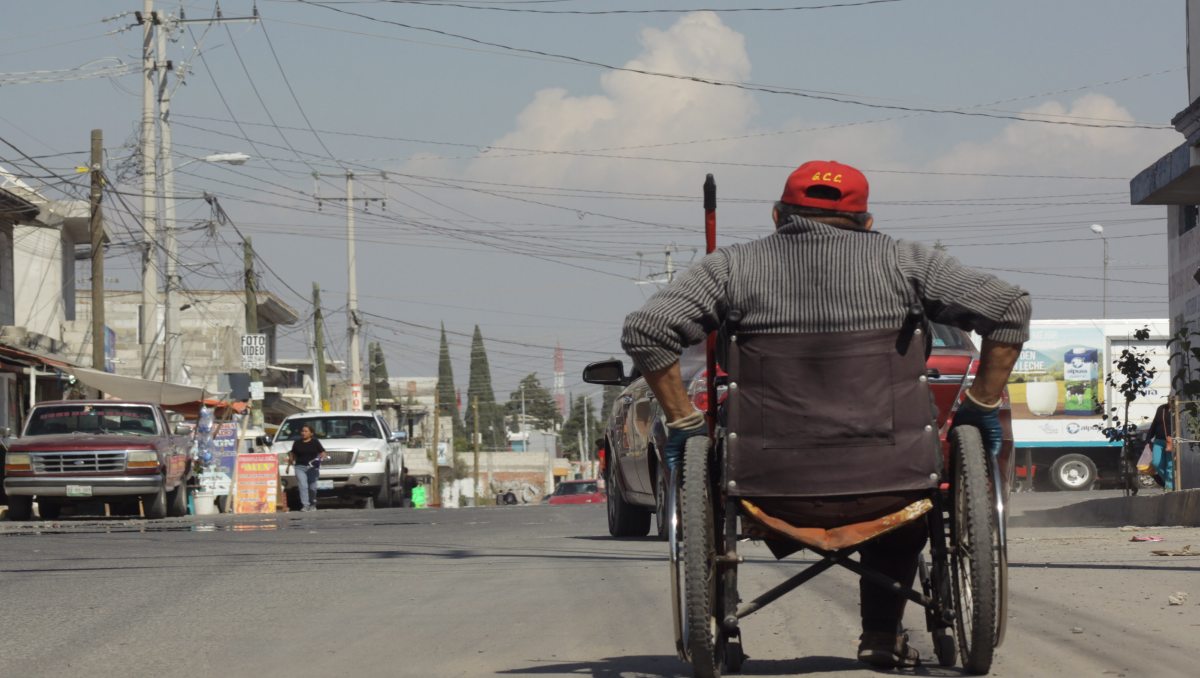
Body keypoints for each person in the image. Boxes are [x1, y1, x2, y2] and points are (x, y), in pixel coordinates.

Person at [621, 160, 1031, 669]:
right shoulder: (906, 261)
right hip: (894, 482)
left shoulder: (730, 268)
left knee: (723, 452)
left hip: (767, 485)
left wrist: (685, 422)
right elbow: (1009, 309)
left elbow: (646, 329)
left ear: (777, 216)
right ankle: (880, 634)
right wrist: (979, 405)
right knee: (905, 505)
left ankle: (736, 622)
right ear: (867, 222)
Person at [287, 424, 327, 512]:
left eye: (306, 431)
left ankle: (312, 504)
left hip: (312, 468)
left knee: (312, 488)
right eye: (302, 431)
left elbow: (323, 452)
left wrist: (321, 458)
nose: (303, 433)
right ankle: (305, 505)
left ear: (311, 433)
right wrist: (290, 458)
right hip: (300, 467)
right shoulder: (297, 442)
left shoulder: (315, 442)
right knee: (303, 485)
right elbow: (292, 453)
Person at [1147, 398, 1176, 490]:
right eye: (1169, 398)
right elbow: (1155, 423)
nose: (1170, 400)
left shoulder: (1178, 409)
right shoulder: (1162, 408)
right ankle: (1170, 483)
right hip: (1159, 440)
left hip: (1172, 441)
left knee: (1170, 465)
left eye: (1172, 398)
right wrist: (1148, 438)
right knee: (1156, 463)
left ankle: (1169, 487)